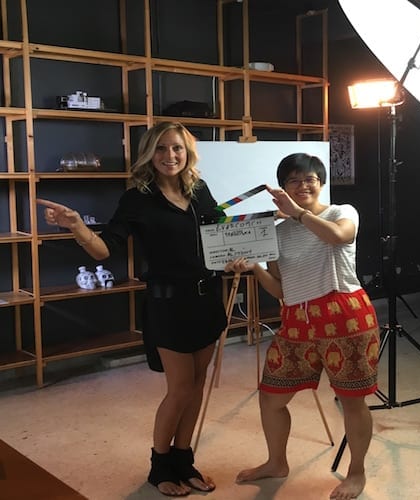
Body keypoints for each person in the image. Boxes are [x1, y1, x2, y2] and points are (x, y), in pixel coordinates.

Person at [37, 121, 228, 497]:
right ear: (149, 154)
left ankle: (184, 462)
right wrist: (76, 225)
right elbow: (104, 248)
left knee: (197, 387)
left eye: (176, 148)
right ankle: (160, 468)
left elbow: (217, 235)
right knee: (180, 389)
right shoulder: (137, 198)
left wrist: (241, 253)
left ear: (187, 152)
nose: (169, 156)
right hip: (167, 305)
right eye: (161, 149)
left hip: (207, 299)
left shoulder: (199, 190)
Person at [224, 152, 380, 499]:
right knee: (271, 397)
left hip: (345, 316)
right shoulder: (276, 234)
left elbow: (338, 237)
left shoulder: (342, 212)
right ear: (283, 187)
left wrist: (299, 214)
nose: (303, 184)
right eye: (294, 180)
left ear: (321, 183)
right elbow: (282, 288)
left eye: (310, 178)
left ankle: (356, 472)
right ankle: (276, 462)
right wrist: (254, 267)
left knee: (351, 400)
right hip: (297, 319)